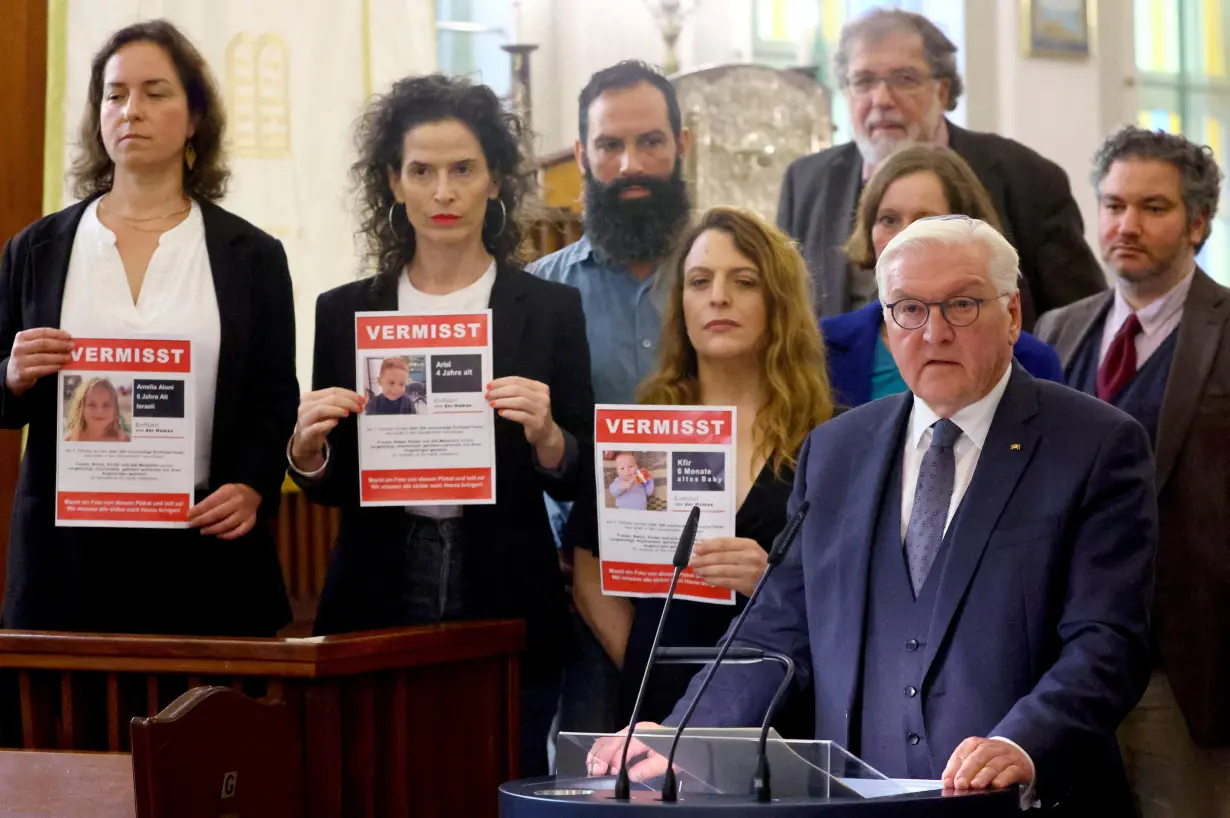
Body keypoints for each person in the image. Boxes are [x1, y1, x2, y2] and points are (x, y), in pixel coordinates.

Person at [591, 216, 1155, 817]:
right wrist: (685, 735)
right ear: (887, 327)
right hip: (863, 803)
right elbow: (775, 629)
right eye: (909, 308)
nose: (934, 332)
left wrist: (1024, 740)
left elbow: (1108, 641)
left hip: (1027, 802)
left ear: (1012, 316)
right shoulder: (837, 451)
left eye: (962, 305)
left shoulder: (1095, 445)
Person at [286, 74, 593, 778]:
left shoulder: (546, 309)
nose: (444, 192)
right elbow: (334, 489)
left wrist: (549, 437)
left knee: (498, 775)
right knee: (375, 775)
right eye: (421, 171)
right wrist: (307, 452)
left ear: (494, 181)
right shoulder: (347, 311)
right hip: (378, 581)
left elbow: (580, 469)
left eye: (463, 169)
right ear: (393, 183)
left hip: (505, 581)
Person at [0, 20, 297, 636]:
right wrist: (12, 374)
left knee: (204, 734)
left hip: (205, 559)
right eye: (115, 94)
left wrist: (252, 487)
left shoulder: (252, 255)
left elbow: (274, 400)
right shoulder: (36, 250)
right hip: (68, 567)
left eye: (155, 92)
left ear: (194, 119)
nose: (131, 110)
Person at [572, 206, 834, 728]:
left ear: (777, 303)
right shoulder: (640, 430)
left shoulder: (832, 440)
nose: (718, 296)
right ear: (681, 305)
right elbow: (587, 565)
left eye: (744, 281)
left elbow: (864, 592)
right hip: (655, 709)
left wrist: (776, 583)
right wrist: (646, 660)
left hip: (784, 708)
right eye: (699, 281)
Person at [1034, 126, 1230, 818]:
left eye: (1154, 207)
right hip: (1060, 665)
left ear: (1198, 222)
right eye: (1114, 206)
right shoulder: (1058, 331)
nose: (1127, 225)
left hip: (1184, 671)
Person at [528, 59, 694, 735]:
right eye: (610, 146)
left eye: (651, 142)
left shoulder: (726, 281)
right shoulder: (537, 295)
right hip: (579, 581)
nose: (631, 163)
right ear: (582, 155)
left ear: (682, 147)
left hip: (706, 573)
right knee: (585, 779)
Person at [777, 7, 1104, 328]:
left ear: (942, 90)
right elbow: (785, 315)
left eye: (903, 79)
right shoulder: (807, 182)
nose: (881, 99)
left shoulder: (1028, 179)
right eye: (863, 81)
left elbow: (1080, 325)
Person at [823, 145, 1063, 407]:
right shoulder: (824, 346)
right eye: (888, 219)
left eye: (925, 220)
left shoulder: (1030, 358)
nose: (904, 236)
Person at [63, 377, 131, 442]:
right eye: (92, 405)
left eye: (106, 405)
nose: (99, 411)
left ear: (115, 410)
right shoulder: (71, 439)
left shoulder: (122, 440)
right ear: (81, 409)